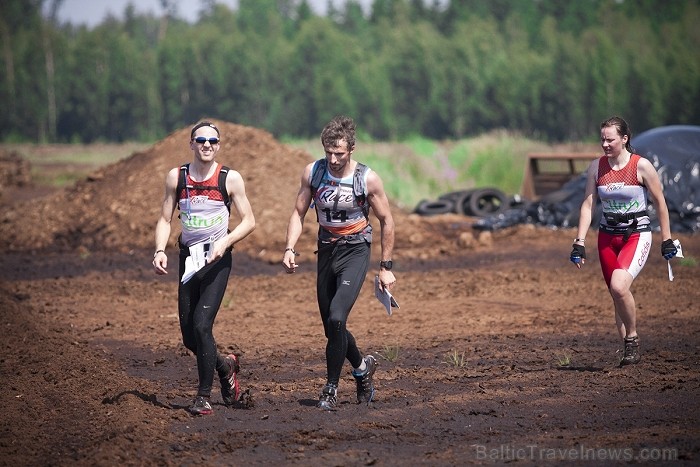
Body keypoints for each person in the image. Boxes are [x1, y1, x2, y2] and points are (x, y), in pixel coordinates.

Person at [282, 115, 396, 410]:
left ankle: (330, 389)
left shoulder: (366, 178)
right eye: (328, 152)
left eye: (339, 154)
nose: (333, 159)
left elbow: (386, 220)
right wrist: (290, 247)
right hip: (326, 250)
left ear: (351, 150)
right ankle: (361, 367)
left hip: (356, 250)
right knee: (332, 327)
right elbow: (298, 213)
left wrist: (386, 268)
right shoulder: (313, 172)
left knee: (336, 317)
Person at [152, 121, 256, 415]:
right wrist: (160, 250)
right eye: (201, 140)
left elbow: (249, 220)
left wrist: (226, 241)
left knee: (201, 325)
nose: (207, 145)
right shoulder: (177, 177)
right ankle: (226, 367)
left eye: (212, 140)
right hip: (188, 260)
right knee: (189, 336)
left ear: (219, 145)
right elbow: (164, 219)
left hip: (217, 260)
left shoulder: (229, 178)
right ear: (192, 144)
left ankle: (202, 396)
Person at [570, 116, 677, 366]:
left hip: (637, 234)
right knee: (616, 295)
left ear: (624, 139)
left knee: (619, 286)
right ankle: (628, 352)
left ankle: (632, 338)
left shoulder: (641, 166)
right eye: (602, 140)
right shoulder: (597, 167)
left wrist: (667, 239)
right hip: (607, 237)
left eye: (610, 139)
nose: (605, 144)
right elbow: (588, 204)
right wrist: (579, 241)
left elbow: (660, 202)